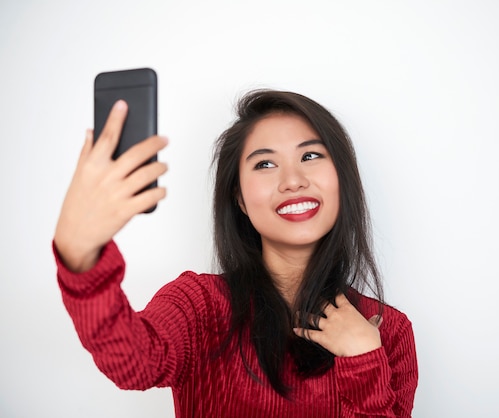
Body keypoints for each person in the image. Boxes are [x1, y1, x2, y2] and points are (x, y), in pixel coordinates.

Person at [53, 90, 418, 417]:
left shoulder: (390, 331)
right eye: (265, 164)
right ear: (240, 199)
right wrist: (80, 256)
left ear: (343, 179)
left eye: (310, 155)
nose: (292, 180)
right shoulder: (200, 306)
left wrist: (363, 359)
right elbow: (133, 363)